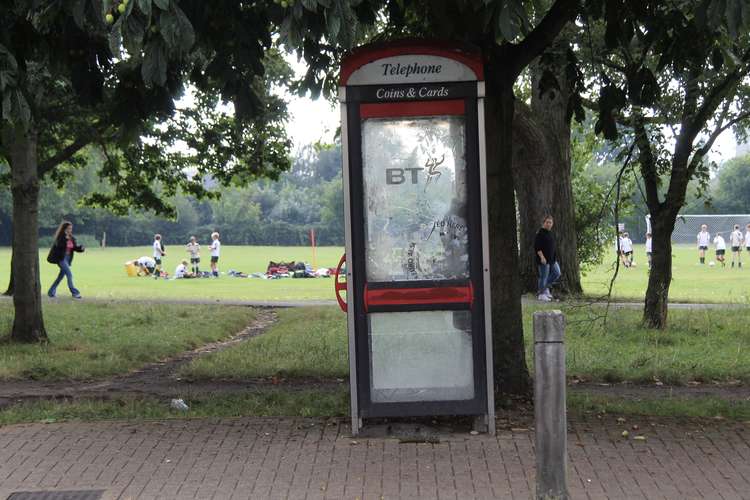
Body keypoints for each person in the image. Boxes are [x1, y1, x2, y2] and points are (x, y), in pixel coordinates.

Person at [46, 221, 85, 299]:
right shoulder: (60, 237)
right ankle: (75, 293)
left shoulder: (71, 238)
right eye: (69, 228)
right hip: (61, 259)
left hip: (68, 259)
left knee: (60, 277)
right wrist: (66, 240)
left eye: (71, 228)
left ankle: (51, 292)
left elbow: (74, 248)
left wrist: (81, 248)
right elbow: (60, 246)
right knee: (69, 275)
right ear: (65, 229)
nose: (70, 230)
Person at [534, 215, 560, 302]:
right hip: (544, 260)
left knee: (557, 273)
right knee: (543, 277)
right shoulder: (540, 233)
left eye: (550, 222)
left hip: (552, 259)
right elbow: (537, 247)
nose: (549, 224)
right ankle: (541, 294)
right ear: (543, 223)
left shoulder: (550, 233)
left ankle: (544, 288)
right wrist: (542, 257)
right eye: (547, 222)